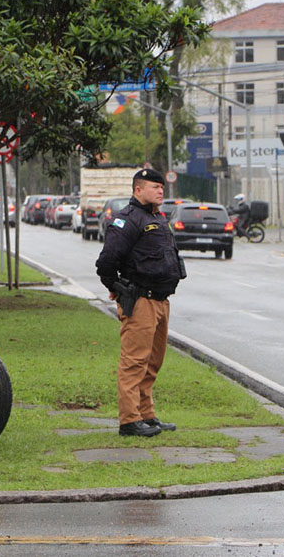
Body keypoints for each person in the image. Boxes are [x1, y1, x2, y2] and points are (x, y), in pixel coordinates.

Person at [95, 168, 184, 437]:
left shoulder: (157, 217)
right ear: (138, 190)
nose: (160, 190)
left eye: (161, 187)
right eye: (154, 186)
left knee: (152, 362)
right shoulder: (128, 220)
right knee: (134, 362)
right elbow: (107, 262)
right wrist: (117, 287)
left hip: (161, 300)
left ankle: (147, 414)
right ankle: (129, 420)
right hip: (141, 300)